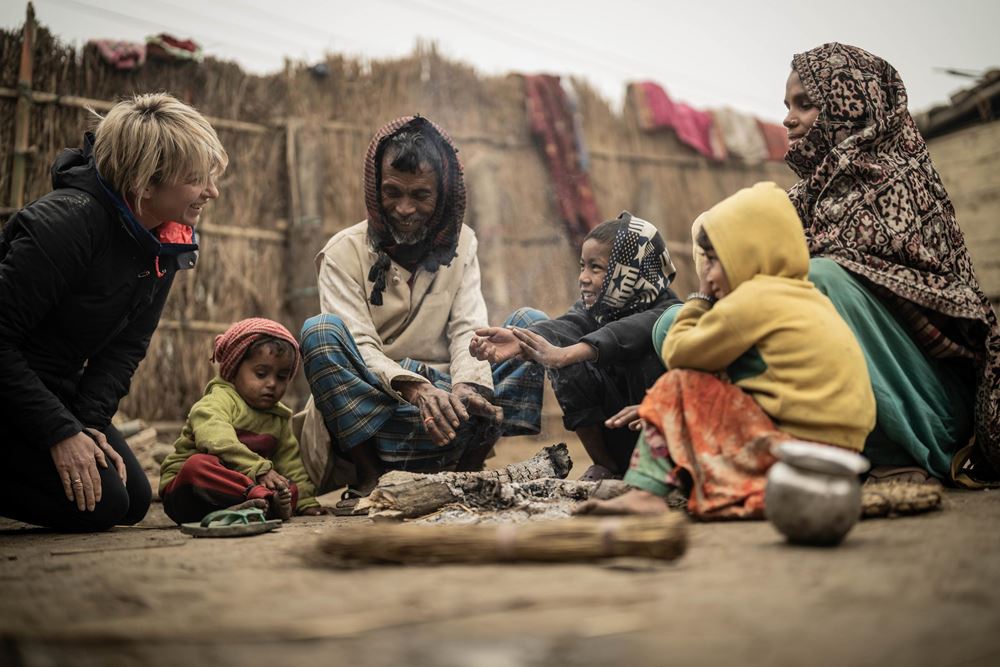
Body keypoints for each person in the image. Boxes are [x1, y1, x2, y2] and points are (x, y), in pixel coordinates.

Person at [578, 182, 876, 519]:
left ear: (747, 255)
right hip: (845, 457)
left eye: (715, 261)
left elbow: (679, 352)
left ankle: (645, 493)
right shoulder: (807, 296)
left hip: (796, 450)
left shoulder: (753, 299)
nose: (708, 271)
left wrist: (701, 296)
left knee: (677, 384)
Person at [0, 93, 228, 531]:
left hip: (53, 390)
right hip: (12, 390)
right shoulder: (65, 225)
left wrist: (87, 422)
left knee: (132, 501)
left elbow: (125, 349)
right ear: (146, 185)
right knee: (101, 504)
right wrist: (59, 432)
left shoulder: (163, 241)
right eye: (197, 179)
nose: (212, 192)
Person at [297, 116, 545, 512]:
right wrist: (416, 388)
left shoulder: (464, 244)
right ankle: (369, 476)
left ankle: (467, 470)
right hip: (378, 409)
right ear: (375, 190)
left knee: (531, 328)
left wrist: (467, 388)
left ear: (443, 194)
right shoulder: (342, 253)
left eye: (420, 195)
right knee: (319, 331)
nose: (404, 208)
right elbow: (358, 344)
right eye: (391, 192)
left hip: (450, 407)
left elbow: (470, 326)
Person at [782, 43, 1000, 487]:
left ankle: (902, 452)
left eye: (806, 104)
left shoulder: (895, 179)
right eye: (786, 105)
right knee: (681, 321)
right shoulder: (806, 198)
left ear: (851, 107)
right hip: (867, 398)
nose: (788, 118)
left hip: (931, 403)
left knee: (820, 278)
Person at [470, 212, 680, 480]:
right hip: (618, 437)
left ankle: (651, 473)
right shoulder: (602, 308)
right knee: (564, 359)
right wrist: (524, 341)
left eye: (596, 267)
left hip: (663, 445)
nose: (583, 276)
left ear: (629, 271)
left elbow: (629, 332)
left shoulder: (670, 314)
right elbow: (570, 324)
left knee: (582, 356)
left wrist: (564, 354)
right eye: (583, 266)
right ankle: (606, 466)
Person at [159, 318, 324, 523]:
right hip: (188, 492)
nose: (272, 383)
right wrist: (259, 470)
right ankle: (263, 500)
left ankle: (256, 504)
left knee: (286, 485)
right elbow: (216, 439)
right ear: (234, 369)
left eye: (282, 376)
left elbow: (291, 464)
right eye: (261, 373)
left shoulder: (278, 418)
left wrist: (306, 501)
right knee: (198, 465)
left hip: (237, 493)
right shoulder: (217, 401)